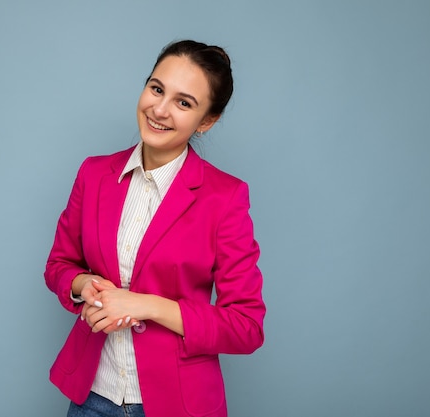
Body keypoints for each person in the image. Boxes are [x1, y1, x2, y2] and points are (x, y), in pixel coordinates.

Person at [44, 39, 265, 417]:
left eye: (184, 102)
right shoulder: (94, 174)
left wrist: (145, 305)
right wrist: (87, 287)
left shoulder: (225, 197)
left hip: (177, 403)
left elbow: (245, 326)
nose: (159, 109)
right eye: (157, 88)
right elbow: (59, 266)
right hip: (92, 397)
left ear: (207, 120)